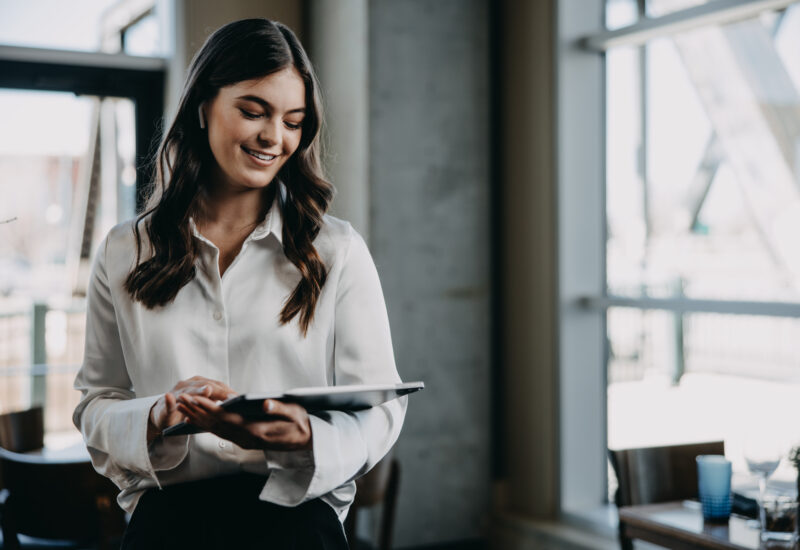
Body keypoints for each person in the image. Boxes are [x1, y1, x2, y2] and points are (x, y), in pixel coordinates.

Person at [72, 18, 406, 549]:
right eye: (254, 111)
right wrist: (156, 414)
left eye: (293, 121)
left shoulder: (337, 251)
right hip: (167, 530)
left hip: (297, 527)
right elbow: (96, 403)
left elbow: (383, 408)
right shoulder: (123, 251)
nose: (275, 137)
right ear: (203, 107)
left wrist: (307, 436)